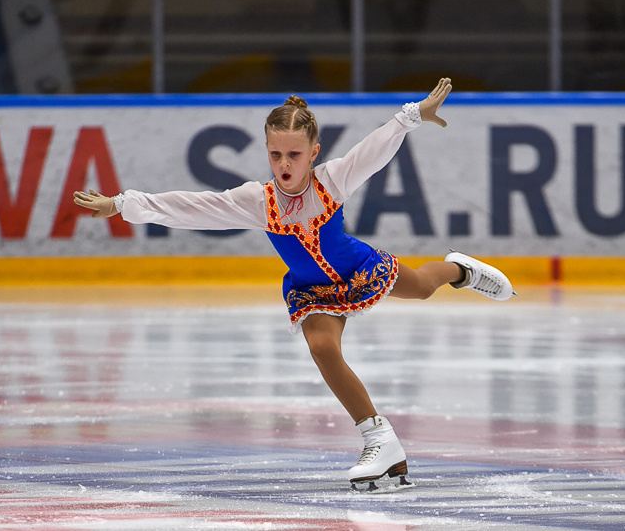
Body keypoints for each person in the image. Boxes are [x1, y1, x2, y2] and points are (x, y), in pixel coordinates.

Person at [74, 78, 515, 491]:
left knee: (420, 285)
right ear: (267, 152)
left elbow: (374, 149)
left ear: (314, 151)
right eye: (276, 155)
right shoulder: (259, 201)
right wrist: (121, 203)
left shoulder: (332, 180)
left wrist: (411, 115)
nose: (285, 165)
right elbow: (193, 207)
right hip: (311, 289)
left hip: (357, 269)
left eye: (295, 155)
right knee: (323, 346)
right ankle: (380, 440)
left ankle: (460, 270)